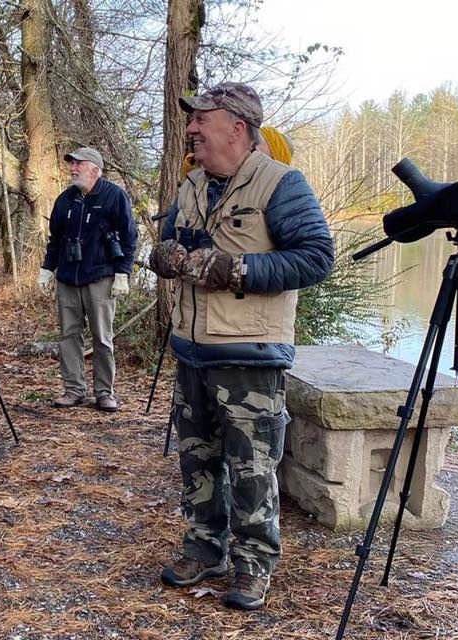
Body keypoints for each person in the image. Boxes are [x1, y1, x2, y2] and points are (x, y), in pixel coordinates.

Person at [148, 82, 334, 609]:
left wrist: (237, 269)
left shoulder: (281, 184)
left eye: (200, 120)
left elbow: (317, 257)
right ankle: (204, 548)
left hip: (250, 354)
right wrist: (166, 253)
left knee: (253, 468)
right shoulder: (191, 185)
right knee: (197, 459)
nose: (191, 129)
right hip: (191, 350)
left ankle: (253, 565)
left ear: (237, 127)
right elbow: (173, 240)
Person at [37, 147, 137, 412]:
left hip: (100, 277)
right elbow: (55, 240)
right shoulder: (65, 200)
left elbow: (129, 238)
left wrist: (122, 273)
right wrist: (48, 268)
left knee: (102, 338)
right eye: (71, 165)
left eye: (78, 164)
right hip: (68, 278)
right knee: (68, 336)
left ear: (95, 168)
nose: (72, 169)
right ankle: (74, 390)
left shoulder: (114, 196)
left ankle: (105, 392)